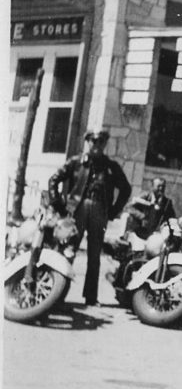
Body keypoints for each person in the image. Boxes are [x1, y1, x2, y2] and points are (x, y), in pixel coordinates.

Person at [48, 128, 132, 306]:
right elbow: (54, 179)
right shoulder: (77, 162)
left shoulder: (111, 167)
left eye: (101, 141)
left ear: (105, 143)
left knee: (94, 256)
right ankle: (57, 295)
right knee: (68, 251)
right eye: (93, 141)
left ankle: (91, 297)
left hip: (100, 210)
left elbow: (126, 189)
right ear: (87, 142)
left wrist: (114, 210)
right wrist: (58, 205)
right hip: (77, 209)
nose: (97, 145)